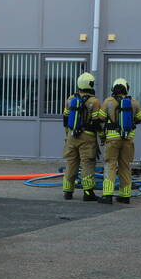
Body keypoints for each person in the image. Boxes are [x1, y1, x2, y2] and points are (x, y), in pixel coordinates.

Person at [99, 77, 141, 204]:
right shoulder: (134, 102)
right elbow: (139, 119)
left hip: (112, 140)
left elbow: (101, 118)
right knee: (125, 166)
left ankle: (107, 195)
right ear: (127, 88)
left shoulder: (108, 101)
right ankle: (125, 196)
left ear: (113, 88)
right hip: (128, 139)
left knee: (110, 165)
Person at [61, 72, 104, 201]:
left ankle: (68, 192)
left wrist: (68, 135)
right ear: (90, 84)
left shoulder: (70, 99)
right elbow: (97, 122)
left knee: (71, 163)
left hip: (71, 137)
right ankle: (88, 193)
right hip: (88, 137)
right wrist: (102, 137)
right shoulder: (94, 101)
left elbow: (65, 119)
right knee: (87, 164)